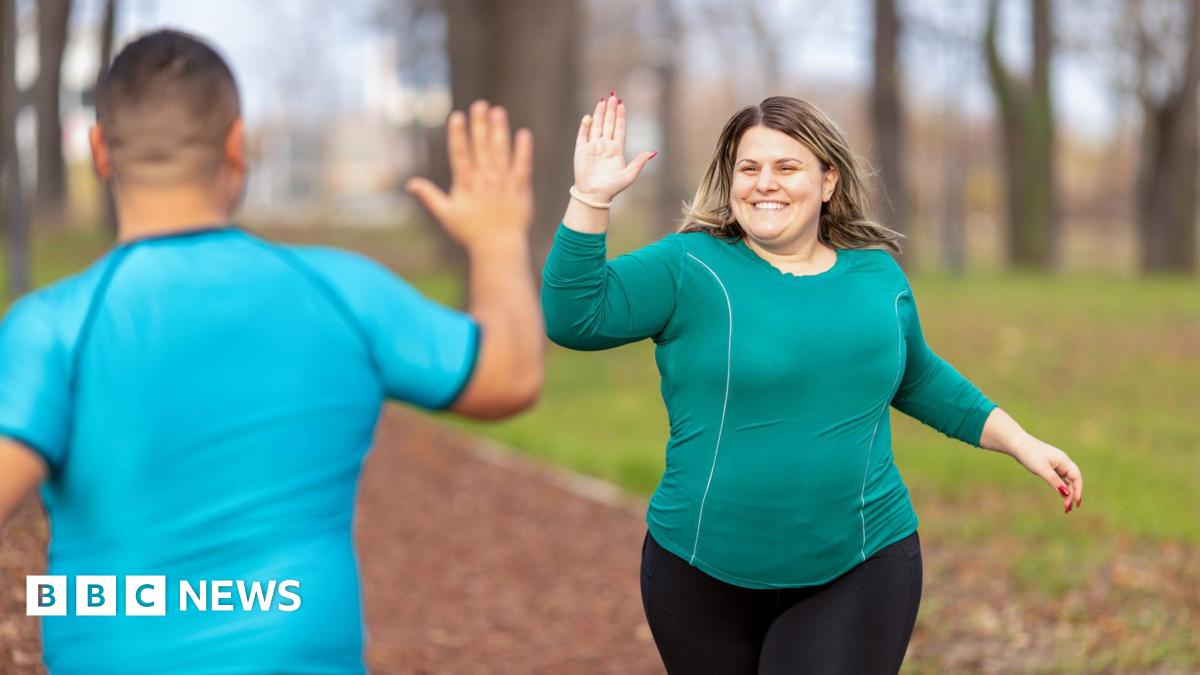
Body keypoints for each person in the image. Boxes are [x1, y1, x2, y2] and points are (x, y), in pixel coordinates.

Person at [0, 30, 542, 673]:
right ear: (236, 143)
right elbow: (508, 375)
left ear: (99, 152)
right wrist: (499, 242)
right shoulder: (342, 291)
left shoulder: (55, 326)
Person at [541, 94, 1084, 674]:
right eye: (748, 169)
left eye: (786, 167)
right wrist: (590, 198)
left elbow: (917, 374)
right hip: (699, 569)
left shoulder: (876, 274)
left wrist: (1023, 443)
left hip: (861, 563)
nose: (764, 184)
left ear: (828, 180)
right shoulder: (688, 267)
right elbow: (576, 319)